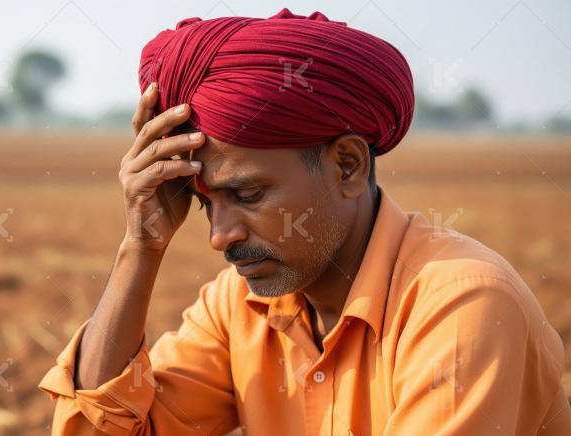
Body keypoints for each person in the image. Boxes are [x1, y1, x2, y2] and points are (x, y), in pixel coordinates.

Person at [40, 8, 571, 435]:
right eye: (203, 203)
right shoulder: (237, 309)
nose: (220, 236)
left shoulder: (463, 304)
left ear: (348, 165)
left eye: (247, 193)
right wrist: (141, 244)